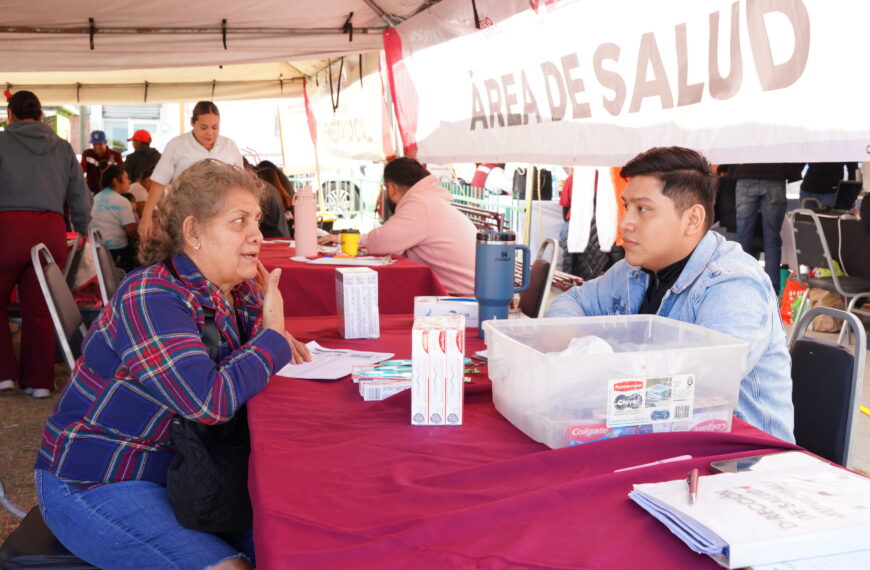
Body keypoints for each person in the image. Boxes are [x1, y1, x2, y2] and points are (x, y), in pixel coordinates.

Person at [34, 160, 311, 569]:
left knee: (292, 541)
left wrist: (266, 327)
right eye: (239, 221)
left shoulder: (228, 290)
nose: (256, 234)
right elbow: (207, 401)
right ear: (193, 232)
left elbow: (254, 351)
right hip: (98, 476)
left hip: (183, 467)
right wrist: (271, 339)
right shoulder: (153, 295)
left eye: (256, 220)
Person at [546, 147, 794, 443]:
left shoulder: (734, 284)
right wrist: (583, 347)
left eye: (643, 209)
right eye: (626, 207)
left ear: (692, 220)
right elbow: (570, 302)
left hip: (738, 463)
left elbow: (700, 386)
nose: (625, 223)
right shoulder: (631, 270)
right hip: (649, 443)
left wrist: (603, 360)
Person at [0, 90, 92, 399]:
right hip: (50, 232)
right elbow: (81, 197)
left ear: (10, 115)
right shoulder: (63, 148)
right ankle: (39, 382)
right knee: (40, 306)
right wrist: (82, 228)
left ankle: (4, 377)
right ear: (41, 116)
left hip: (6, 230)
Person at [320, 157, 477, 295]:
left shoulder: (420, 204)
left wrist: (344, 240)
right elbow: (390, 240)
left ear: (391, 188)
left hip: (462, 299)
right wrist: (342, 238)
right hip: (468, 292)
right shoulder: (430, 200)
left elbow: (380, 242)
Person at [139, 101, 243, 238]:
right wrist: (146, 216)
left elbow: (241, 183)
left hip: (222, 214)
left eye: (215, 127)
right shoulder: (176, 145)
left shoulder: (229, 146)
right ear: (192, 123)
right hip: (185, 214)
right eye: (204, 127)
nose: (210, 133)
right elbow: (159, 182)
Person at [731, 163, 802, 293]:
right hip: (775, 176)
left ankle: (740, 285)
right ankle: (772, 290)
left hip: (746, 174)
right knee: (772, 237)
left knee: (743, 236)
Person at [91, 164, 139, 271]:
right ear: (116, 181)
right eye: (126, 178)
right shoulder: (122, 201)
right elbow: (131, 231)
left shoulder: (95, 198)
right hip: (118, 252)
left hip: (97, 250)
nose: (129, 181)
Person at [81, 129, 123, 194]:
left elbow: (121, 173)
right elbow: (81, 170)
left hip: (111, 192)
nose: (97, 147)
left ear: (105, 142)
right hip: (92, 192)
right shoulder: (87, 154)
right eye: (94, 144)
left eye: (100, 144)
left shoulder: (116, 155)